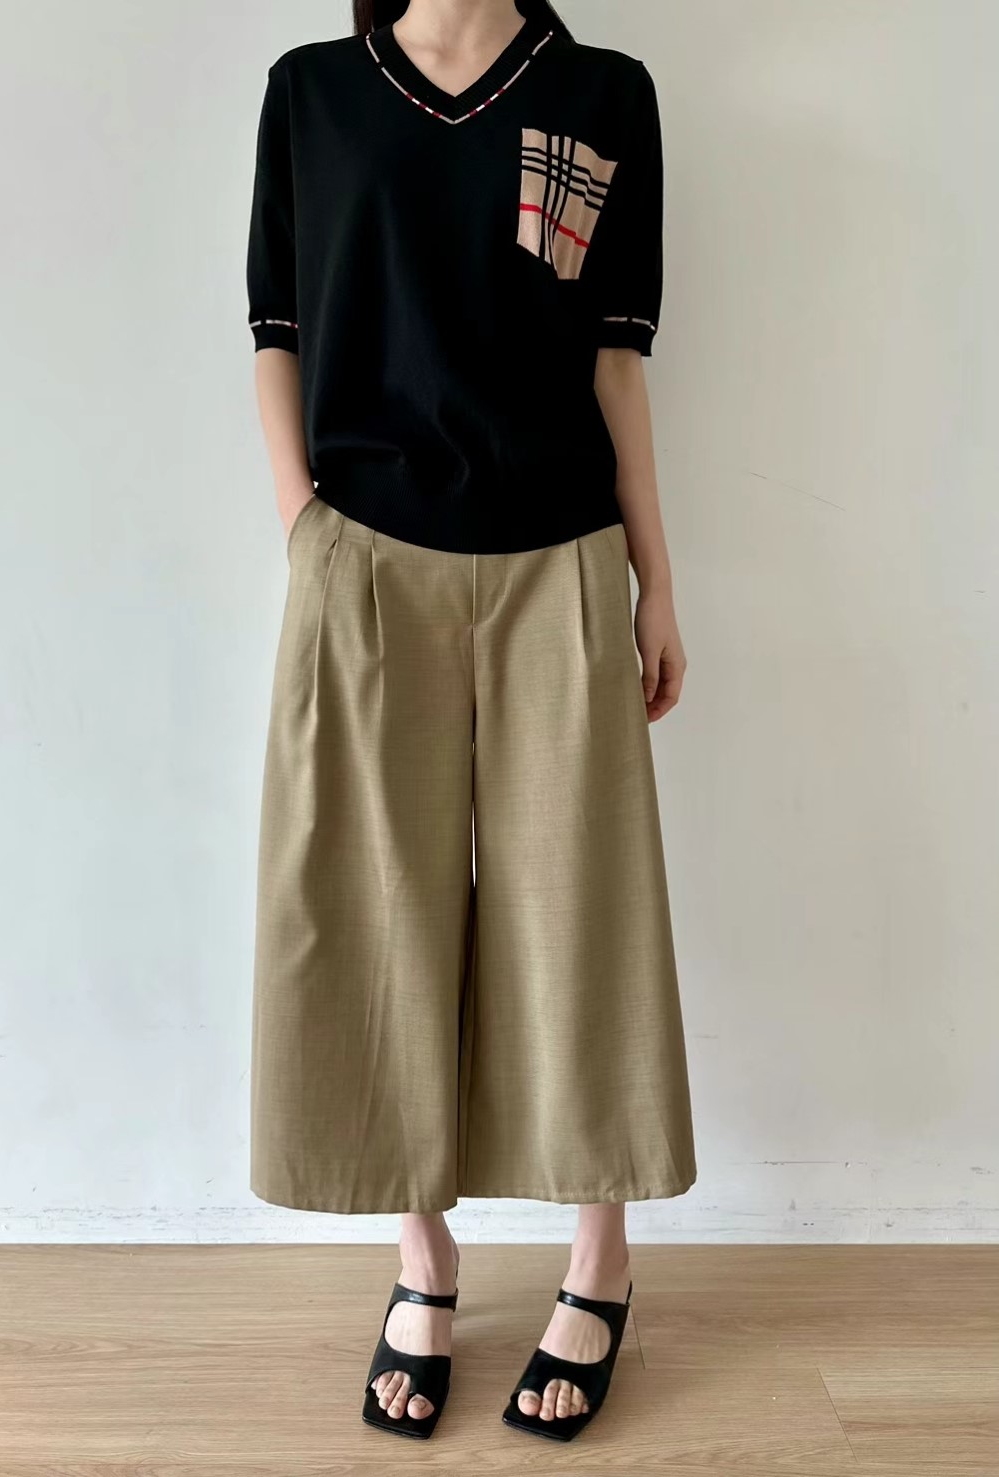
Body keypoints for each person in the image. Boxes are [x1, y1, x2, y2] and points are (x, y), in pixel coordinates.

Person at [246, 0, 696, 1445]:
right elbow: (277, 331)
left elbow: (614, 363)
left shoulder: (604, 93)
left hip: (562, 562)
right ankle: (422, 1256)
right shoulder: (312, 93)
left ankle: (598, 1261)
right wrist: (306, 531)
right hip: (367, 561)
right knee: (382, 916)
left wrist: (656, 580)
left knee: (583, 918)